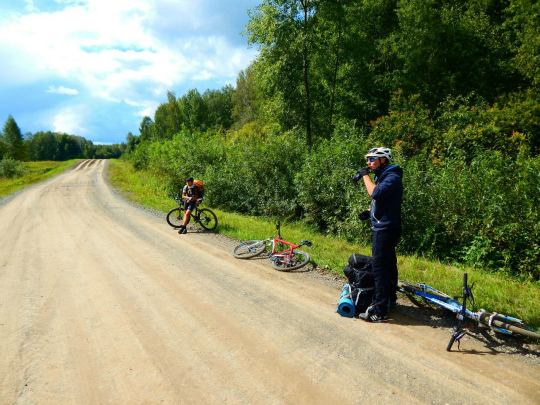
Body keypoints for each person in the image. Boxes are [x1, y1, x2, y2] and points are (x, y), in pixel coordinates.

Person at [352, 147, 403, 322]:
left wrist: (364, 175)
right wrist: (370, 212)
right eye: (367, 159)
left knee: (380, 268)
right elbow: (384, 201)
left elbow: (375, 193)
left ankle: (380, 312)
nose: (368, 162)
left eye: (372, 159)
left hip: (385, 229)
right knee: (389, 264)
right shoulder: (384, 176)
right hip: (386, 227)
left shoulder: (392, 177)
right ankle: (390, 300)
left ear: (383, 160)